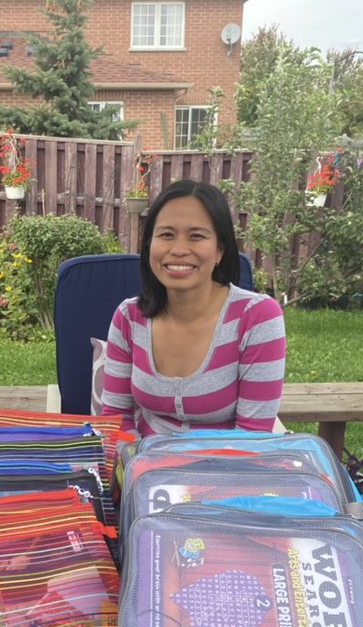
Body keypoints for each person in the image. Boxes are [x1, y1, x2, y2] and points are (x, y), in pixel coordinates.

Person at [101, 179, 285, 435]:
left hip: (229, 458)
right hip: (142, 457)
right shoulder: (129, 317)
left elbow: (252, 436)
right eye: (166, 235)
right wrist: (134, 458)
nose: (178, 250)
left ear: (220, 249)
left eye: (196, 236)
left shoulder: (257, 317)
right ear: (149, 245)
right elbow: (116, 420)